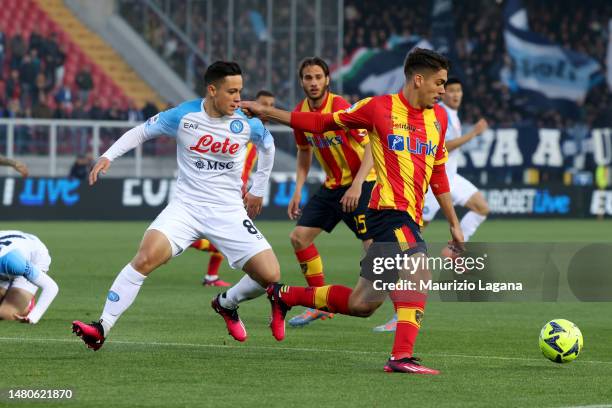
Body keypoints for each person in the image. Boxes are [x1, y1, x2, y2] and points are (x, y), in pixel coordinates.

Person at [242, 48, 464, 374]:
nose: (443, 90)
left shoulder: (439, 118)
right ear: (419, 79)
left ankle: (284, 295)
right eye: (439, 82)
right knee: (419, 269)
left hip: (408, 215)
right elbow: (321, 123)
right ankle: (401, 357)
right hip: (385, 211)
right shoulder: (379, 108)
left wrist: (454, 224)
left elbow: (439, 174)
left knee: (362, 304)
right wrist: (268, 111)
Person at [72, 61, 280, 351]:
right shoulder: (184, 115)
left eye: (240, 91)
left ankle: (226, 303)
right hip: (186, 208)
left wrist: (258, 189)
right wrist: (108, 156)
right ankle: (101, 327)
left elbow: (267, 147)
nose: (238, 98)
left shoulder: (247, 122)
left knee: (269, 275)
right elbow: (142, 131)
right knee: (145, 257)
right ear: (212, 90)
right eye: (232, 91)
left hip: (228, 211)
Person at [373, 77, 490, 333]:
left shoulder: (452, 115)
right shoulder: (438, 113)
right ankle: (398, 309)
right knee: (407, 249)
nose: (456, 94)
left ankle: (452, 251)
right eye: (451, 90)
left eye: (460, 90)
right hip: (429, 181)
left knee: (481, 206)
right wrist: (473, 135)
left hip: (450, 178)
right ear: (442, 92)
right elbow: (443, 146)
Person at [285, 57, 375, 327]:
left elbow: (371, 146)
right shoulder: (300, 113)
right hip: (332, 186)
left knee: (374, 247)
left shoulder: (340, 107)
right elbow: (304, 151)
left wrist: (358, 184)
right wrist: (298, 190)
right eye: (308, 78)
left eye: (318, 77)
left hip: (363, 182)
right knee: (299, 238)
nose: (313, 83)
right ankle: (320, 303)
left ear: (327, 79)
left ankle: (400, 309)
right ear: (301, 81)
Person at [190, 90, 276, 288]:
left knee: (226, 235)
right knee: (226, 236)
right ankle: (185, 242)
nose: (267, 109)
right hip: (226, 191)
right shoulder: (240, 128)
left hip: (239, 190)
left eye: (271, 105)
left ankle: (211, 276)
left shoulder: (259, 133)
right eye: (263, 104)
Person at [0, 230, 59, 324]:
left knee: (5, 314)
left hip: (33, 259)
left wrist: (34, 316)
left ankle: (27, 304)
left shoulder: (14, 262)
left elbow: (51, 287)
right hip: (10, 247)